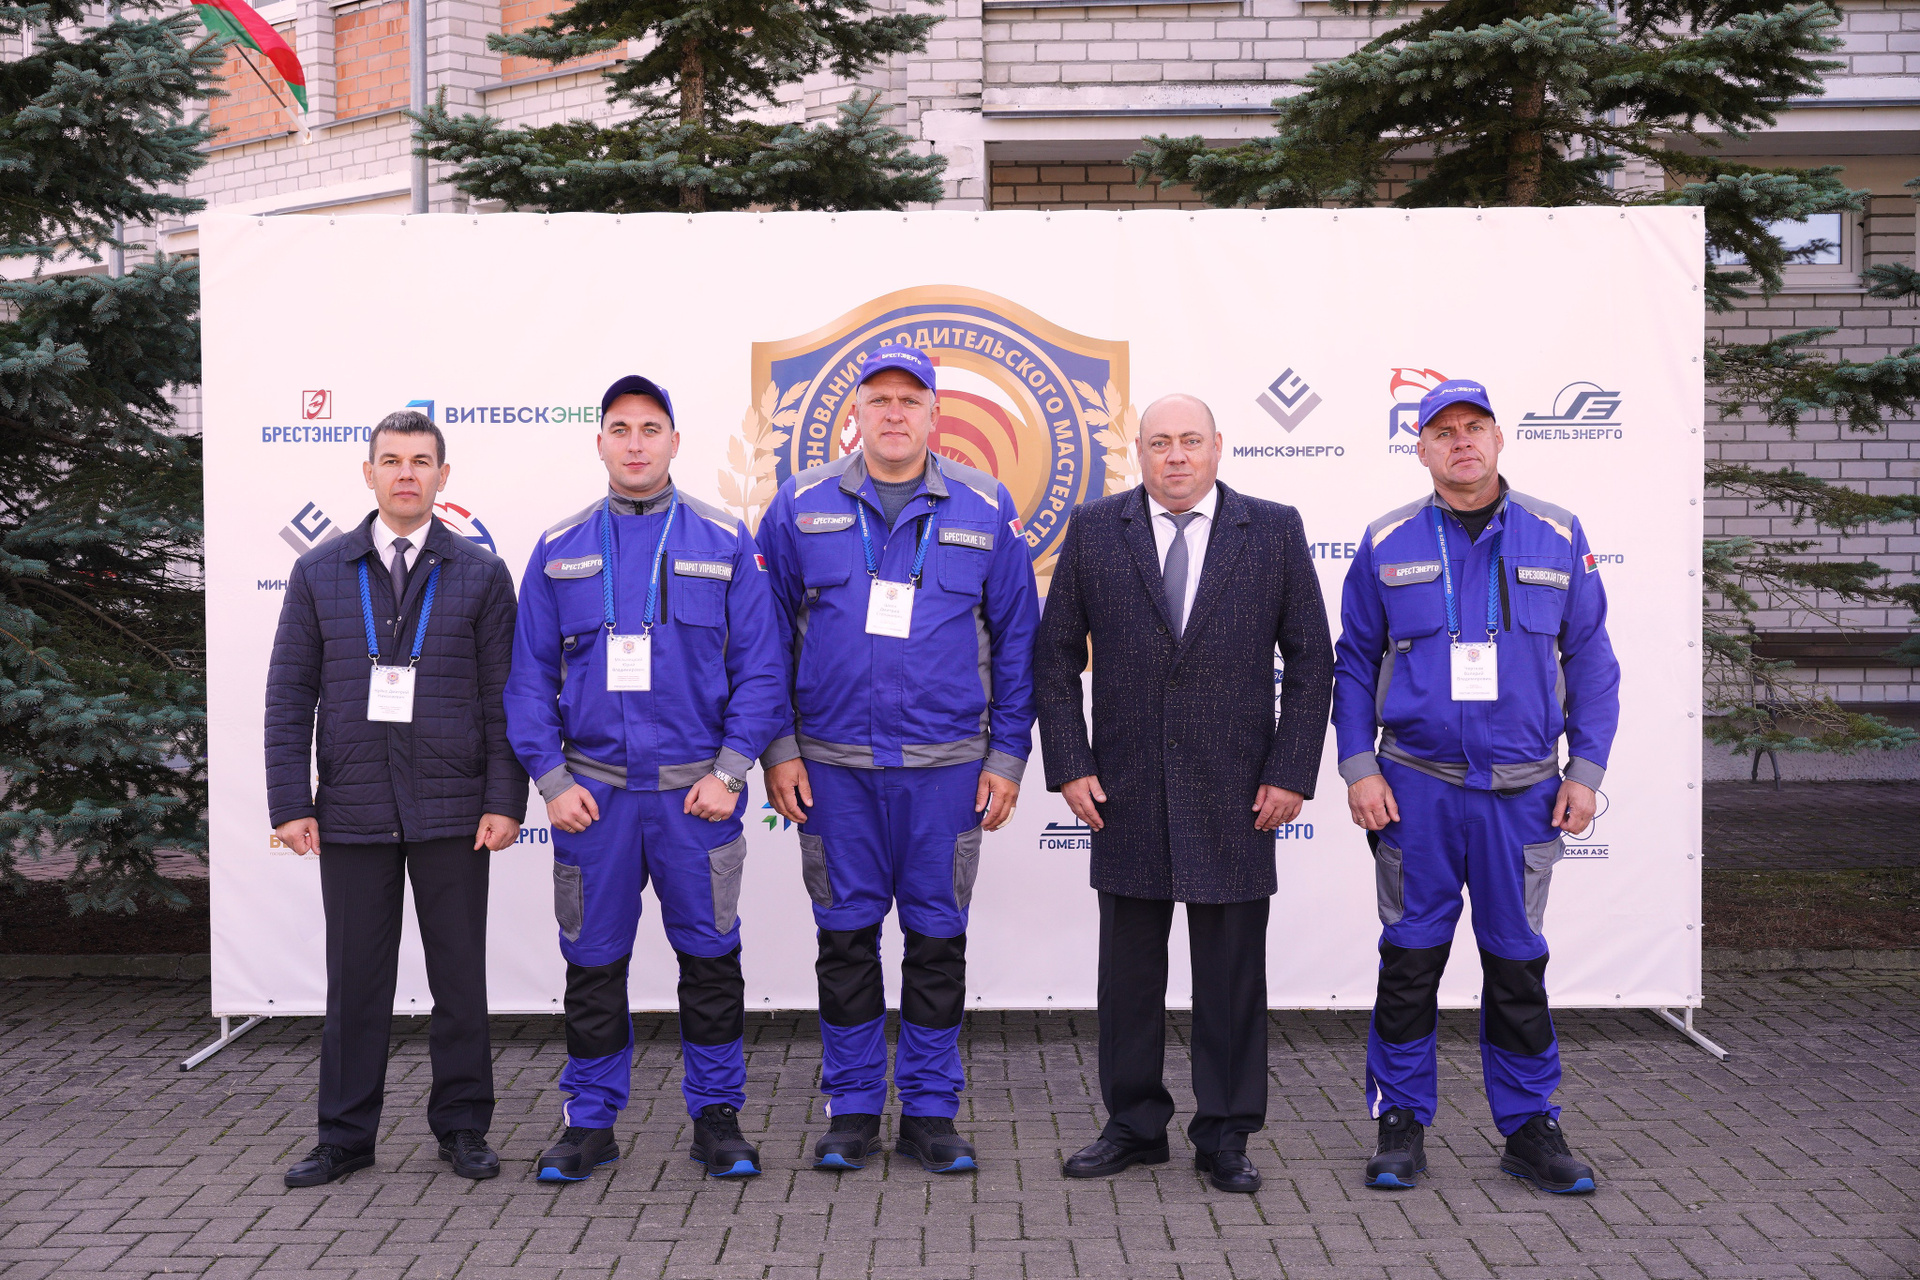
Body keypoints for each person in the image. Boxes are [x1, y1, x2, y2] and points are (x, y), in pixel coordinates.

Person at [1034, 393, 1334, 1195]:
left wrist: (1290, 771)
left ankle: (1226, 1135)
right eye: (1160, 442)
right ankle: (1134, 1126)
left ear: (1217, 447)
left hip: (1238, 792)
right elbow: (1054, 657)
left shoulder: (1272, 529)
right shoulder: (1095, 528)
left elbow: (1312, 661)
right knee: (1128, 978)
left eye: (1190, 441)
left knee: (1231, 977)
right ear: (1138, 451)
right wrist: (1069, 763)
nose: (1175, 455)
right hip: (1123, 789)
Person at [1332, 378, 1620, 1194]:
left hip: (1523, 794)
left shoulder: (1557, 533)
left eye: (1475, 427)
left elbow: (1591, 661)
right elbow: (1352, 664)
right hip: (1415, 789)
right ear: (1421, 447)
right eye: (1443, 431)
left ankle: (1530, 1127)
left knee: (1517, 964)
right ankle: (1399, 1120)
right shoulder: (1386, 540)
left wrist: (1586, 771)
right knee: (1410, 960)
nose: (1461, 442)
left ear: (1498, 439)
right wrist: (1359, 766)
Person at [759, 346, 1040, 1175]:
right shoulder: (799, 503)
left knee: (936, 942)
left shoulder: (985, 504)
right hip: (832, 767)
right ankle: (851, 1110)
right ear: (855, 411)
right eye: (877, 399)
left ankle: (928, 1110)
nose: (893, 413)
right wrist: (779, 749)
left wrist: (1007, 757)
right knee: (845, 942)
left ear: (933, 414)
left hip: (947, 768)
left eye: (909, 400)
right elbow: (764, 641)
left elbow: (1017, 640)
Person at [505, 375, 789, 1182]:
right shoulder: (559, 547)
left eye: (651, 428)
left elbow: (762, 670)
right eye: (621, 428)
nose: (636, 443)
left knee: (710, 961)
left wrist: (731, 772)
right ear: (599, 441)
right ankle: (590, 1122)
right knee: (593, 964)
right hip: (594, 799)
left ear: (675, 442)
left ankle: (717, 1118)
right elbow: (526, 680)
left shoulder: (723, 539)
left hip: (695, 798)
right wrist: (552, 780)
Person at [267, 410, 525, 1188]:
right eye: (391, 460)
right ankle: (344, 1137)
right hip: (352, 810)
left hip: (454, 810)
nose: (406, 473)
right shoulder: (320, 571)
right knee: (356, 984)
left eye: (420, 460)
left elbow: (504, 699)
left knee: (459, 980)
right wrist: (291, 801)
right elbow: (289, 695)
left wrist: (505, 798)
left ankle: (463, 1127)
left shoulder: (481, 573)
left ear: (443, 476)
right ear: (369, 473)